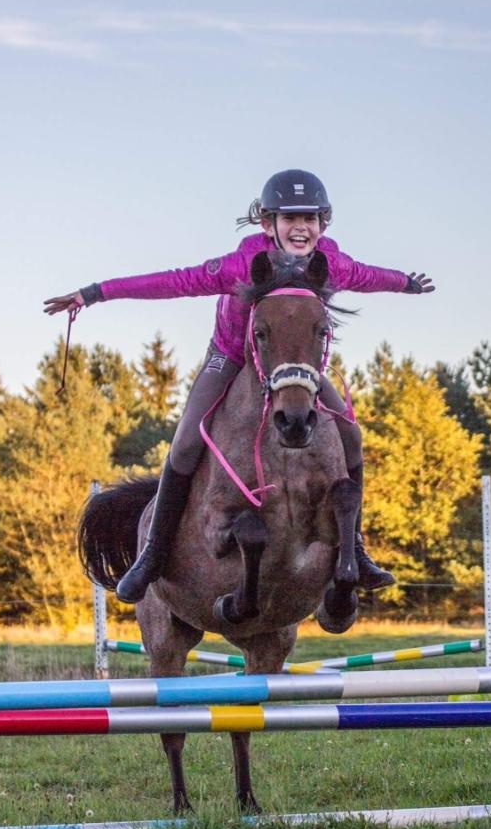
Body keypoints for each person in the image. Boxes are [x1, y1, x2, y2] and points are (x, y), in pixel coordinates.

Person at [44, 169, 435, 605]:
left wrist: (407, 283)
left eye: (310, 219)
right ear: (268, 224)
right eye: (290, 218)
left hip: (293, 365)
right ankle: (152, 555)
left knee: (351, 437)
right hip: (231, 355)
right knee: (188, 439)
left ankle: (355, 548)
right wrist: (95, 293)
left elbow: (368, 276)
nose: (300, 227)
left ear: (323, 225)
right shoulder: (240, 263)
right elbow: (171, 282)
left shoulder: (332, 262)